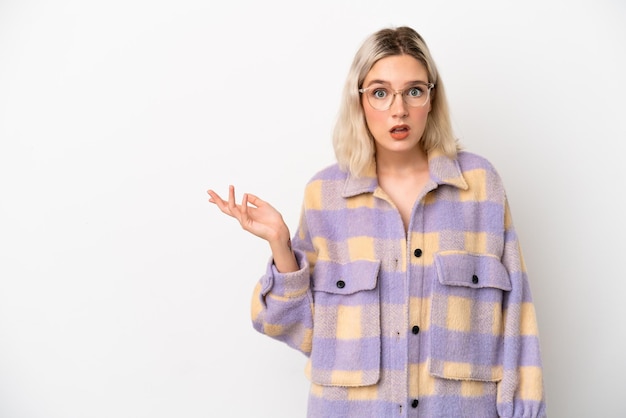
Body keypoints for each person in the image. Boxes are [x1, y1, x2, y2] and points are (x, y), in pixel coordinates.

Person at [207, 26, 546, 418]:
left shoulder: (480, 185)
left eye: (414, 91)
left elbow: (518, 314)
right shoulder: (325, 195)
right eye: (381, 93)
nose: (398, 109)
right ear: (360, 100)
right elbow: (299, 331)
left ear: (432, 99)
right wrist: (281, 244)